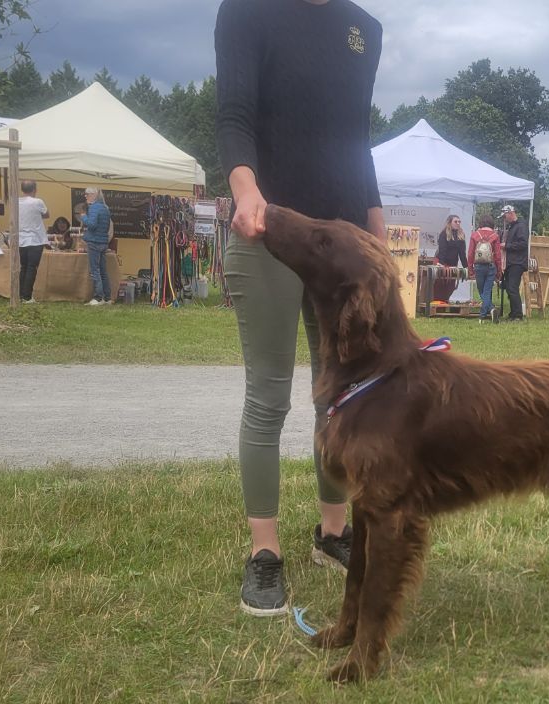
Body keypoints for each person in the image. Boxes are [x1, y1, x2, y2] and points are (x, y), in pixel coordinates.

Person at [215, 0, 384, 616]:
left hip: (338, 244)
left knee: (338, 393)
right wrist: (245, 189)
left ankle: (331, 533)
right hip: (267, 230)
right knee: (269, 395)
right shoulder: (248, 10)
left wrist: (376, 235)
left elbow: (356, 140)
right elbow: (233, 114)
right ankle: (265, 554)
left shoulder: (364, 30)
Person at [17, 180, 49, 303]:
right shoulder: (38, 202)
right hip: (35, 239)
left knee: (23, 267)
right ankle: (27, 296)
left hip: (21, 239)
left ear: (22, 189)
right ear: (34, 189)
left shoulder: (17, 202)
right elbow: (47, 214)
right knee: (31, 268)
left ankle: (21, 295)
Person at [80, 187, 112, 305]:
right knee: (103, 271)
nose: (85, 196)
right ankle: (107, 298)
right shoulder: (105, 208)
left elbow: (92, 225)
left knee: (95, 271)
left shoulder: (93, 208)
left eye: (87, 194)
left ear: (94, 195)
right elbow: (107, 227)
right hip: (103, 242)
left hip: (94, 242)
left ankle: (98, 298)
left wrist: (83, 216)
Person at [468, 215, 502, 322]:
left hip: (478, 266)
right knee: (486, 291)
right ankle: (491, 309)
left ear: (481, 223)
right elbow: (498, 255)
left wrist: (470, 269)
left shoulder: (474, 235)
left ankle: (482, 316)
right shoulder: (495, 236)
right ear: (492, 224)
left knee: (481, 290)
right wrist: (499, 271)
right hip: (491, 266)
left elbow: (470, 254)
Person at [499, 204, 528, 321]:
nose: (504, 219)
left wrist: (507, 246)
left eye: (505, 216)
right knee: (509, 287)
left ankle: (518, 315)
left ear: (511, 213)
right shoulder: (513, 227)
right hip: (511, 262)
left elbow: (523, 244)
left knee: (512, 288)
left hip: (518, 262)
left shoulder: (521, 226)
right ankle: (513, 313)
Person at [435, 214, 467, 301]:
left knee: (450, 286)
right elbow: (442, 250)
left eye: (459, 222)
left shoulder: (461, 235)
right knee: (440, 285)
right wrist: (441, 265)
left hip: (452, 265)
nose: (458, 223)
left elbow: (462, 254)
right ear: (450, 223)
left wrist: (466, 267)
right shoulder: (444, 234)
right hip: (442, 262)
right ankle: (438, 303)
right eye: (455, 221)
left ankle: (444, 301)